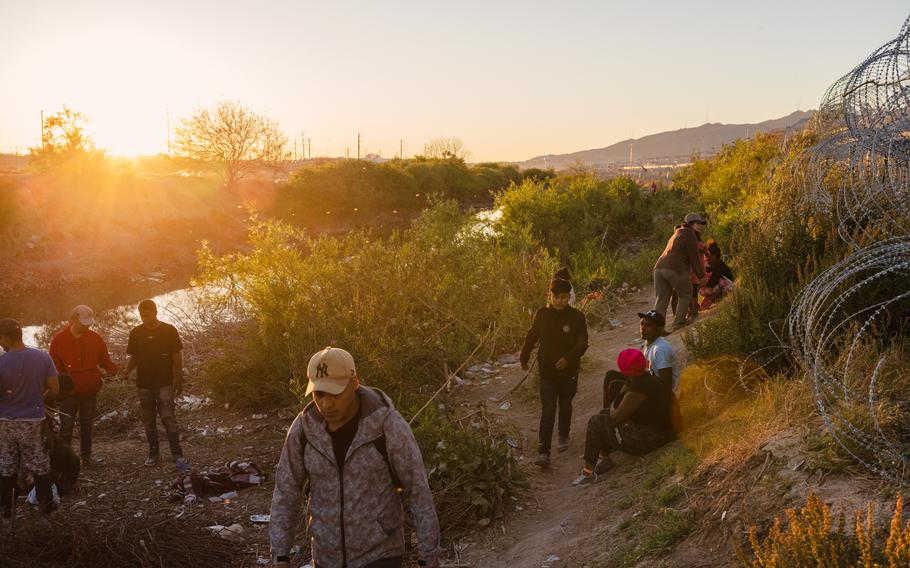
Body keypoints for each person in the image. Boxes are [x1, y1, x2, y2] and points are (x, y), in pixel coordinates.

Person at [269, 347, 441, 568]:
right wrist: (280, 556)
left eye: (335, 393)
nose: (326, 404)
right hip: (325, 558)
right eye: (319, 394)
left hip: (380, 555)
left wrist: (429, 557)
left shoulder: (386, 426)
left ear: (355, 383)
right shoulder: (303, 430)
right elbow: (285, 492)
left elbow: (418, 491)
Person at [571, 348, 675, 486]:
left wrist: (620, 395)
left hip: (653, 438)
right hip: (665, 433)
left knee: (596, 421)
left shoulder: (639, 388)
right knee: (603, 416)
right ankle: (603, 457)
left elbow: (615, 418)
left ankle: (588, 472)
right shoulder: (652, 379)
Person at [520, 278, 589, 467]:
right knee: (548, 409)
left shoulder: (577, 317)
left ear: (569, 297)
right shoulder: (542, 314)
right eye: (555, 296)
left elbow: (583, 343)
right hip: (547, 372)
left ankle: (563, 435)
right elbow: (532, 336)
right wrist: (524, 356)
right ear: (549, 295)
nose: (559, 301)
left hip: (569, 372)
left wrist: (568, 358)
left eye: (564, 297)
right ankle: (544, 452)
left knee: (566, 406)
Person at [0, 318, 60, 518]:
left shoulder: (1, 362)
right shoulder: (42, 357)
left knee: (7, 465)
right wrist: (39, 401)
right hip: (34, 421)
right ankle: (46, 511)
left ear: (5, 337)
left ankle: (6, 512)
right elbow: (55, 389)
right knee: (39, 464)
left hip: (6, 422)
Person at [122, 300, 189, 470]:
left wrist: (178, 378)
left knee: (168, 417)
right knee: (148, 420)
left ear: (155, 311)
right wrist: (127, 371)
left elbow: (176, 355)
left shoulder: (169, 330)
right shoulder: (136, 332)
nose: (145, 317)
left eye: (148, 314)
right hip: (144, 383)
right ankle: (154, 454)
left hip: (164, 381)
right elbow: (134, 356)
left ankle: (177, 454)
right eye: (142, 315)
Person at [48, 305, 117, 465]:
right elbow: (53, 366)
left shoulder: (95, 338)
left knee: (87, 425)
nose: (87, 327)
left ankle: (87, 457)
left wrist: (112, 368)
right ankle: (65, 461)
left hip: (90, 390)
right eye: (83, 324)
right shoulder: (59, 340)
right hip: (68, 395)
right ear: (73, 319)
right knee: (66, 428)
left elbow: (104, 359)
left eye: (89, 324)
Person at [653, 213, 708, 332]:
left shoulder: (677, 233)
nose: (699, 226)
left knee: (661, 299)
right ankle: (678, 323)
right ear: (690, 224)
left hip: (659, 268)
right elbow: (694, 258)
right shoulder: (690, 235)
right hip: (676, 268)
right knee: (686, 295)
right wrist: (702, 276)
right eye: (697, 223)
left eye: (700, 223)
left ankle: (656, 330)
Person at [699, 241, 735, 310]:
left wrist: (704, 284)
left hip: (728, 287)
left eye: (707, 257)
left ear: (714, 256)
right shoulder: (713, 265)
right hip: (721, 287)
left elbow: (713, 282)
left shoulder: (718, 265)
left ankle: (715, 298)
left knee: (718, 282)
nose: (706, 259)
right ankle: (712, 298)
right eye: (705, 257)